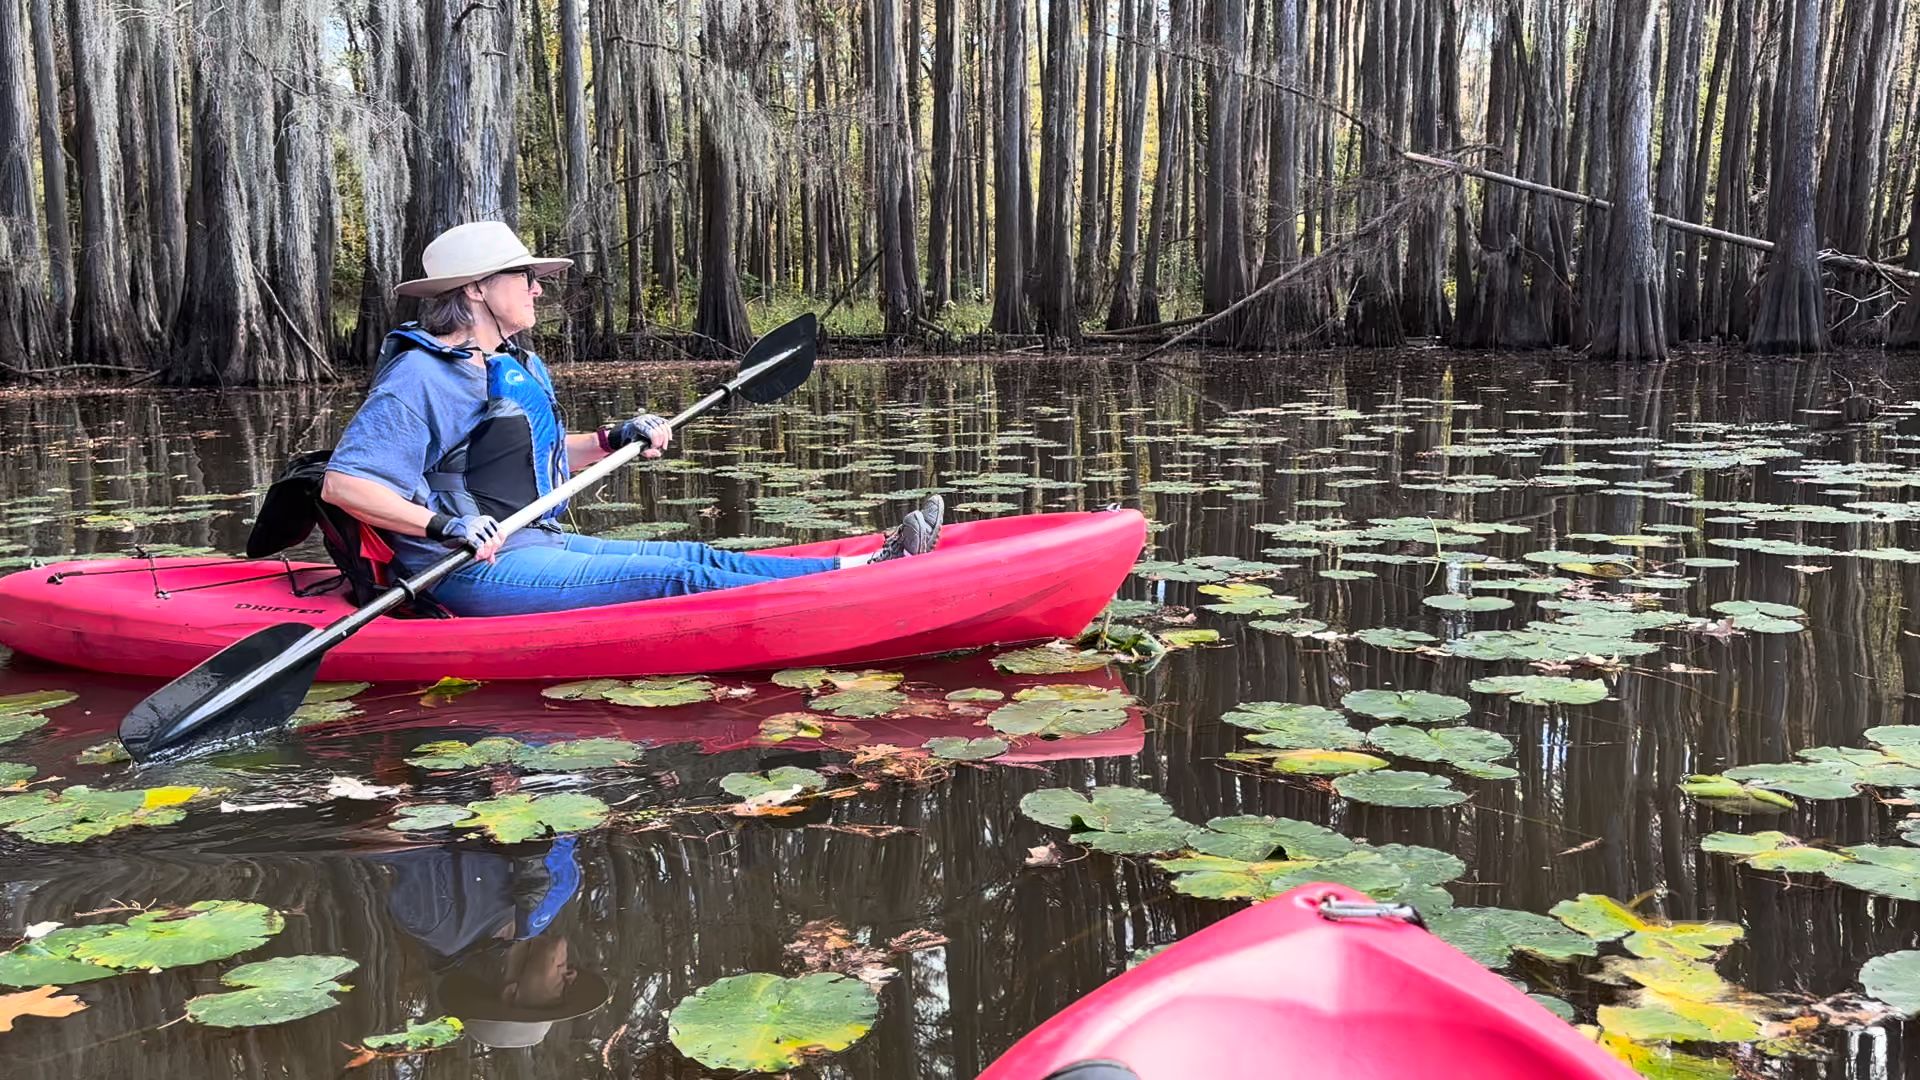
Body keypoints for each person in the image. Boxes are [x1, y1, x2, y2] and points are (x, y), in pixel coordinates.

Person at [321, 221, 940, 617]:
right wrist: (443, 528)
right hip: (471, 571)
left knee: (697, 553)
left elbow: (520, 458)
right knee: (675, 576)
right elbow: (346, 485)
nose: (539, 288)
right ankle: (852, 596)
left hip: (537, 542)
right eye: (527, 276)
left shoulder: (506, 363)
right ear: (479, 289)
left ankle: (856, 568)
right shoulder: (424, 375)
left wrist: (612, 439)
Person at [373, 836, 609, 1049]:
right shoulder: (536, 921)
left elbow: (399, 839)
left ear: (511, 993)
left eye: (560, 993)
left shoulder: (435, 921)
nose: (572, 977)